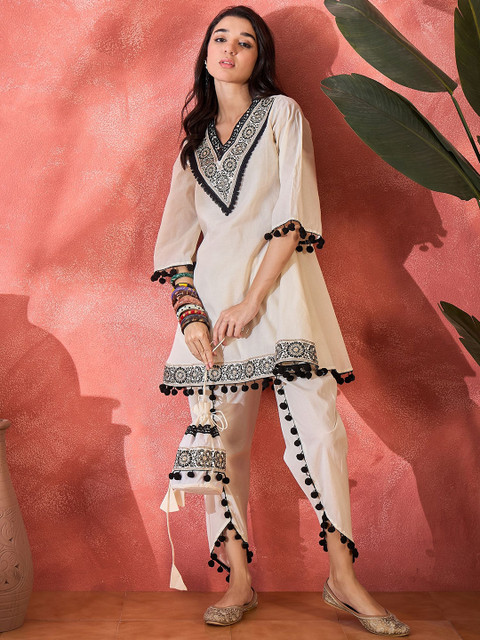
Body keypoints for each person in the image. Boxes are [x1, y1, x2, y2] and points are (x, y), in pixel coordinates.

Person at [152, 5, 410, 635]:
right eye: (220, 38)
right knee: (222, 444)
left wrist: (252, 301)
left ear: (259, 57)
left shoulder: (282, 115)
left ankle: (343, 578)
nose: (230, 49)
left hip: (284, 292)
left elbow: (294, 215)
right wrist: (192, 319)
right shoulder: (191, 146)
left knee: (320, 431)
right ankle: (238, 580)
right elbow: (176, 251)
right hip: (213, 313)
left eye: (245, 42)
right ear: (206, 51)